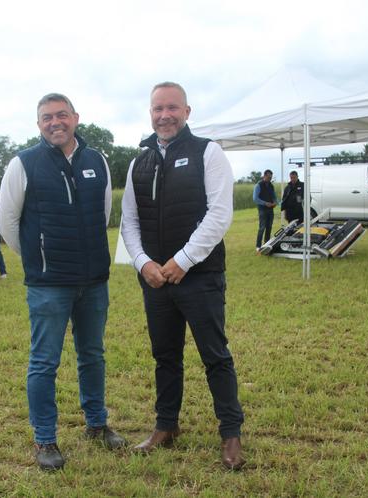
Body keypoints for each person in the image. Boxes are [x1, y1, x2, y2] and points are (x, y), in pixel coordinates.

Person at [120, 82, 245, 470]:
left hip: (199, 276)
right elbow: (129, 221)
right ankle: (166, 426)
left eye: (172, 107)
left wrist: (184, 260)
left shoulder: (208, 152)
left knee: (215, 356)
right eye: (157, 108)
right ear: (150, 113)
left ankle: (230, 433)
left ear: (187, 112)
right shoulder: (138, 161)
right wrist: (143, 262)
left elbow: (219, 214)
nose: (164, 115)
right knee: (165, 356)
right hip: (156, 280)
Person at [0, 92, 125, 471]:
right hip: (48, 284)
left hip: (93, 280)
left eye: (62, 115)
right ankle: (45, 439)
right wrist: (40, 259)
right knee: (44, 361)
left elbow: (102, 214)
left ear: (76, 118)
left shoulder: (96, 160)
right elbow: (8, 223)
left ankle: (97, 424)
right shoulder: (23, 164)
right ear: (38, 125)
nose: (55, 122)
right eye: (47, 117)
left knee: (93, 355)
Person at [253, 169, 277, 251]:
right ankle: (258, 246)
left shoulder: (271, 186)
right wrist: (265, 203)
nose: (270, 179)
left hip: (270, 210)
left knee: (269, 227)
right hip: (262, 210)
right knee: (262, 228)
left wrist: (275, 202)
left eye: (271, 177)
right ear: (264, 176)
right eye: (268, 177)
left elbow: (274, 196)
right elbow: (255, 199)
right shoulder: (258, 185)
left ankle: (266, 244)